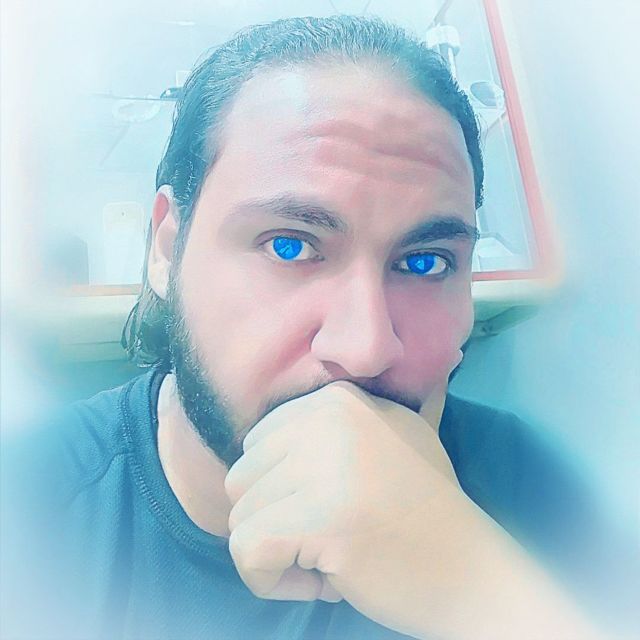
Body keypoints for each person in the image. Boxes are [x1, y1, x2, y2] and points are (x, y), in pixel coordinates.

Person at [1, 15, 637, 640]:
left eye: (426, 262)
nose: (365, 349)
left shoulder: (528, 487)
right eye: (289, 246)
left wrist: (489, 603)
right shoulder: (28, 506)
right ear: (167, 248)